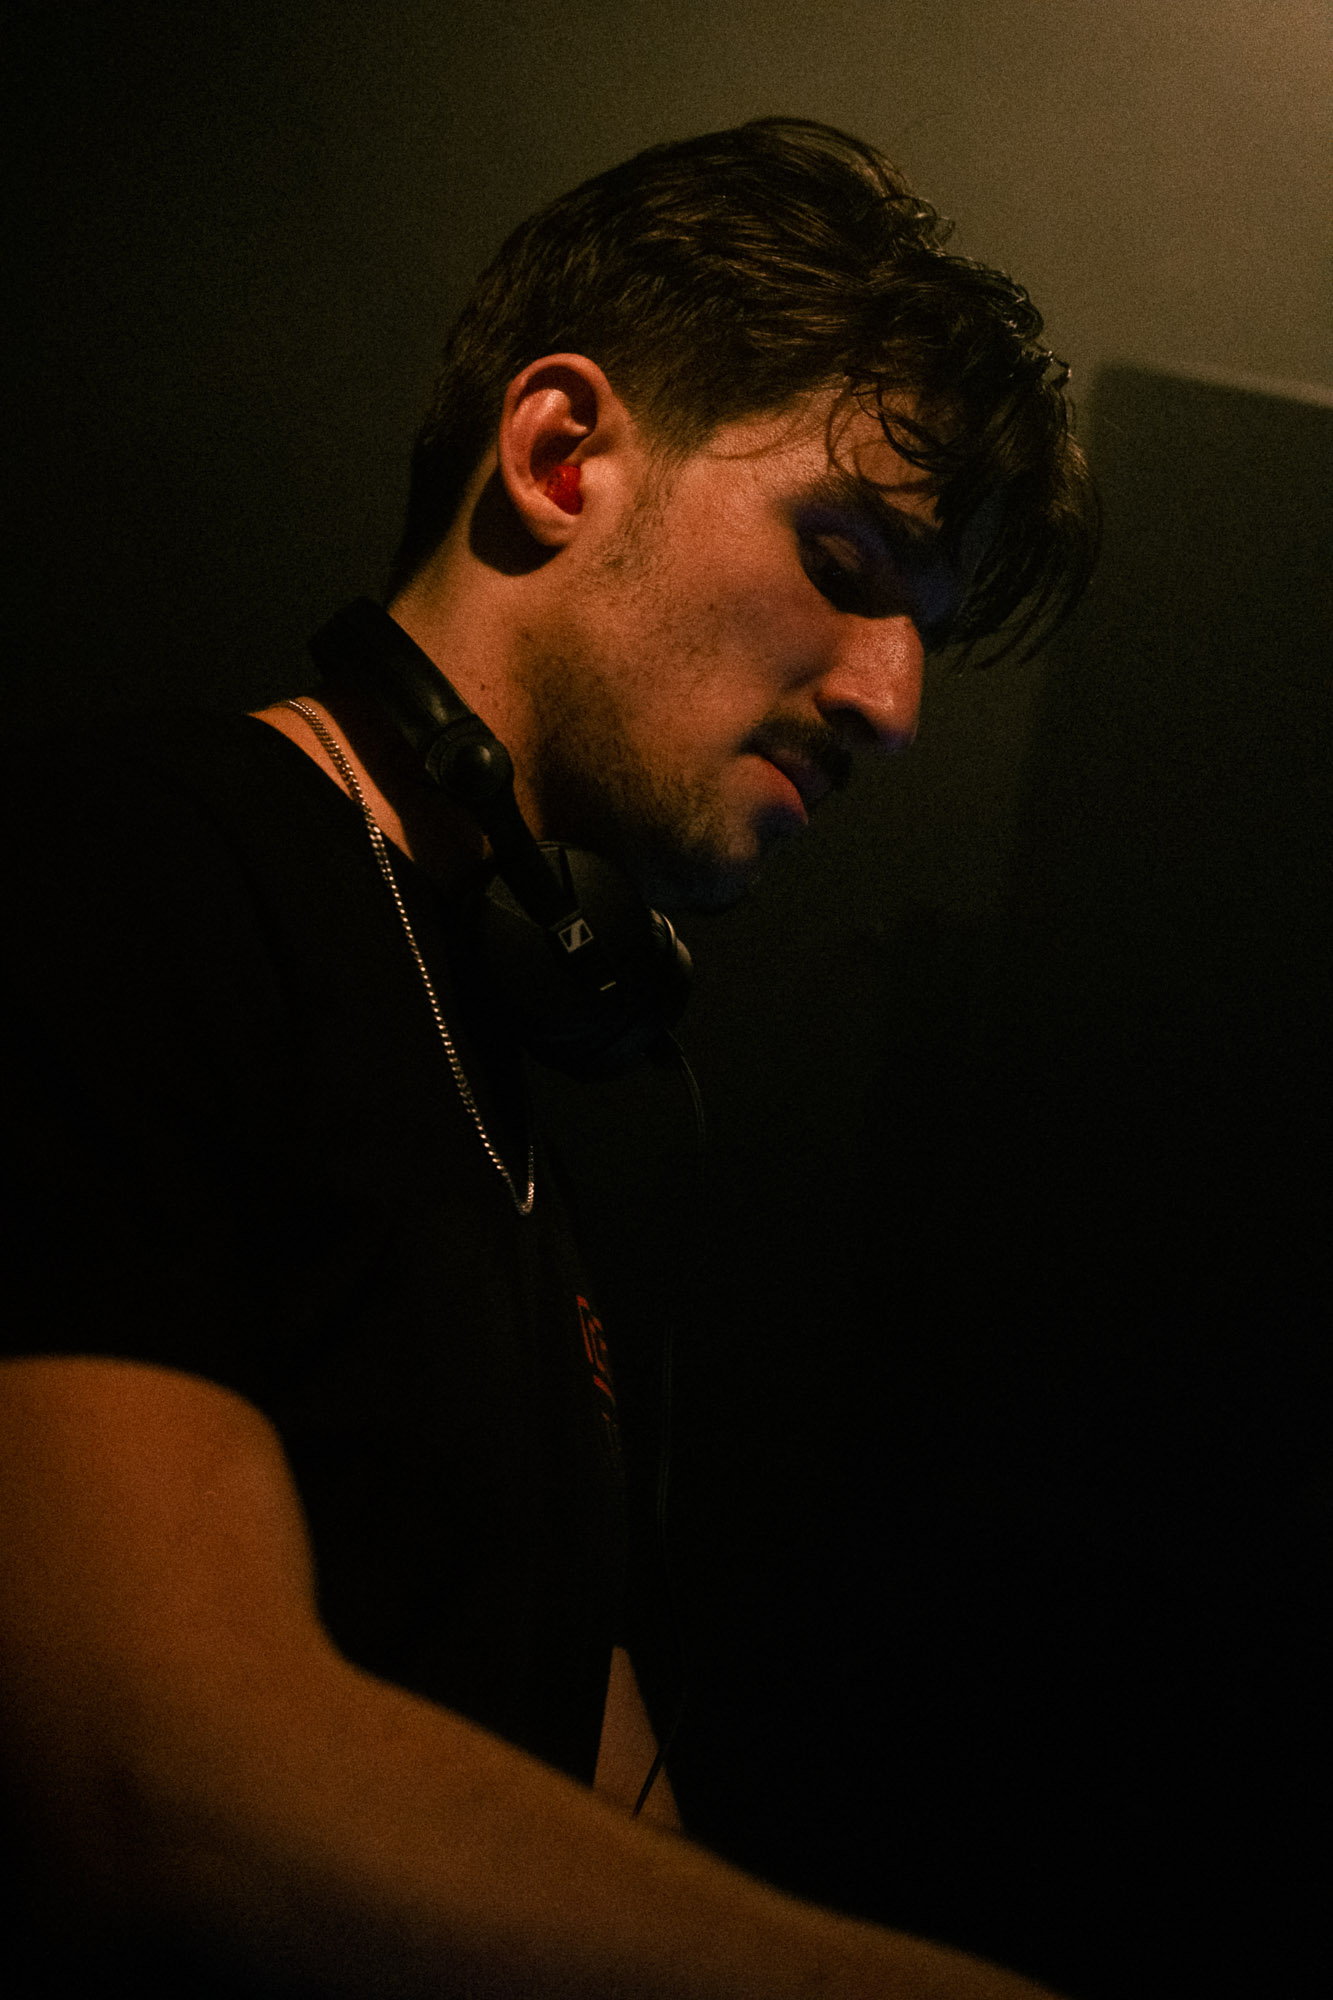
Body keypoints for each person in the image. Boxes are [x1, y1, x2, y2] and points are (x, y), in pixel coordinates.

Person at [0, 118, 1097, 1997]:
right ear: (560, 453)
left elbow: (579, 1797)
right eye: (847, 558)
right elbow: (143, 1771)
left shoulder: (510, 1076)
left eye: (920, 633)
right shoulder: (131, 872)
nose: (890, 702)